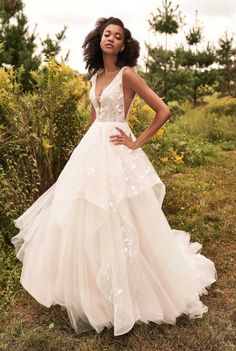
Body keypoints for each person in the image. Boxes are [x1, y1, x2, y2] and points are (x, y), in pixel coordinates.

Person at [11, 16, 217, 337]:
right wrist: (85, 153)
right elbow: (95, 121)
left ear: (123, 44)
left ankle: (131, 287)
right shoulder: (93, 78)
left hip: (119, 150)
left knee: (122, 215)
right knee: (86, 214)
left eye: (117, 36)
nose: (110, 39)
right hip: (93, 151)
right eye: (107, 33)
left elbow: (163, 110)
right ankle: (94, 289)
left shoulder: (127, 75)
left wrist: (136, 142)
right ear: (99, 39)